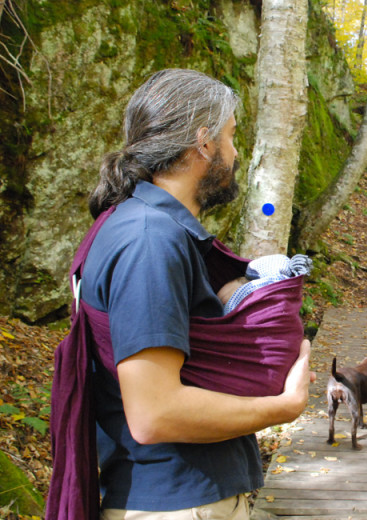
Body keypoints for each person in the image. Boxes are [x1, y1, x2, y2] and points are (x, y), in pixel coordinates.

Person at [64, 69, 314, 519]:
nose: (236, 153)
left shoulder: (145, 228)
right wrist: (282, 407)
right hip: (179, 504)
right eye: (232, 137)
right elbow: (154, 413)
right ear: (203, 143)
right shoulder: (148, 240)